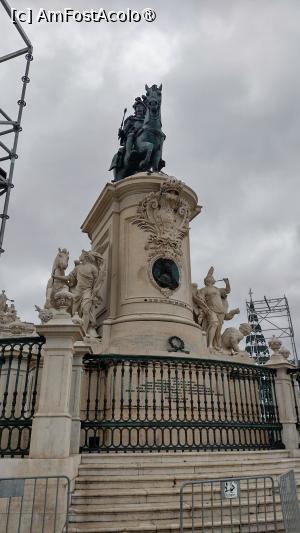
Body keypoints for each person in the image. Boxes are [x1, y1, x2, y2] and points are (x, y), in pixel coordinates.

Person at [194, 267, 240, 351]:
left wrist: (227, 283)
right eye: (212, 278)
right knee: (214, 324)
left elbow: (227, 290)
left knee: (218, 332)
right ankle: (209, 345)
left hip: (221, 312)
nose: (214, 279)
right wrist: (204, 310)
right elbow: (200, 300)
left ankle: (216, 345)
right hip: (211, 310)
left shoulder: (217, 289)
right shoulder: (204, 290)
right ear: (209, 280)